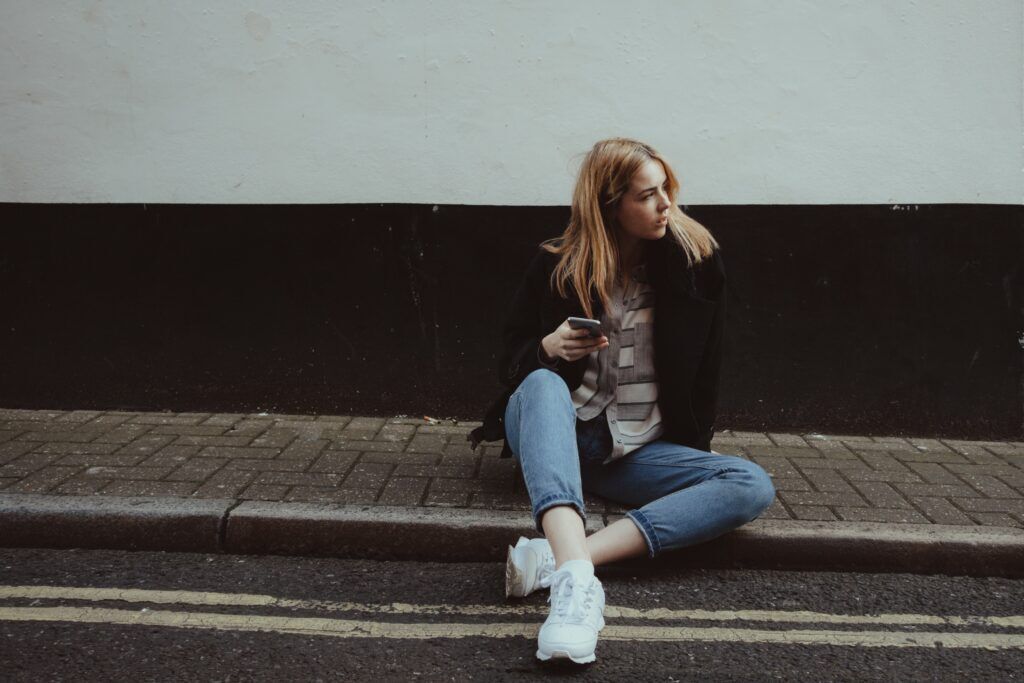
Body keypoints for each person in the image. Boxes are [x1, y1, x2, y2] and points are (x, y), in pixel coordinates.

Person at [469, 137, 776, 664]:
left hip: (634, 450)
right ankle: (576, 599)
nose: (665, 207)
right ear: (610, 205)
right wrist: (547, 348)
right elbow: (510, 366)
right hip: (559, 432)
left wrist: (693, 455)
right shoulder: (556, 265)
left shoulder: (695, 264)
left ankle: (563, 560)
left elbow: (708, 369)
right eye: (648, 195)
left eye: (666, 191)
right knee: (543, 383)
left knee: (749, 483)